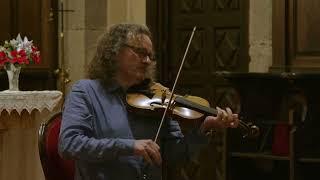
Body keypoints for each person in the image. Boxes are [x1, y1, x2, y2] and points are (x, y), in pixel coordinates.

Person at [58, 23, 239, 180]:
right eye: (140, 52)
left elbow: (175, 156)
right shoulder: (86, 92)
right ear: (114, 51)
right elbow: (69, 144)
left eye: (150, 56)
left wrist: (205, 129)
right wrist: (129, 146)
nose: (147, 61)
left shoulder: (158, 99)